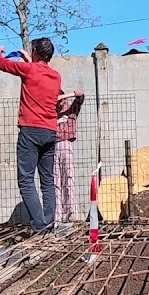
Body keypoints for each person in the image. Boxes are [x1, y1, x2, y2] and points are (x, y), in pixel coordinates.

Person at [0, 39, 62, 234]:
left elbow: (0, 63)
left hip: (30, 131)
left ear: (36, 52)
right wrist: (30, 59)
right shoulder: (56, 76)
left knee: (26, 180)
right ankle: (48, 223)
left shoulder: (29, 70)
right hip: (50, 132)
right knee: (47, 180)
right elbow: (38, 73)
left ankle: (40, 226)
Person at [54, 90, 86, 221]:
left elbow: (81, 96)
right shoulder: (51, 113)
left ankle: (71, 214)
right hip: (53, 146)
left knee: (68, 178)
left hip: (66, 144)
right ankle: (57, 215)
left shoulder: (71, 110)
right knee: (55, 182)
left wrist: (70, 94)